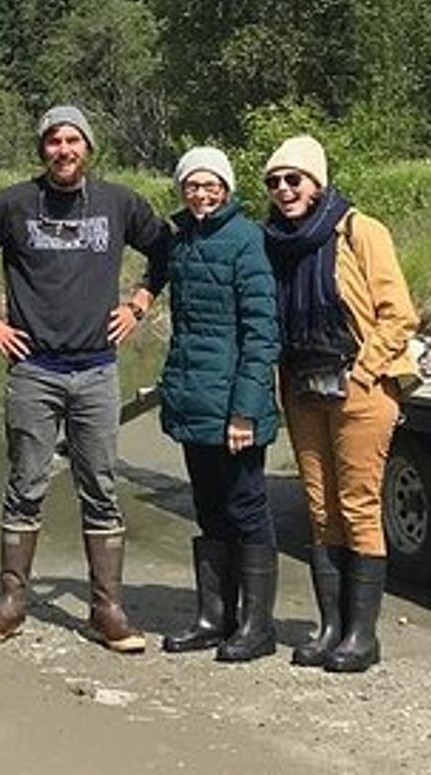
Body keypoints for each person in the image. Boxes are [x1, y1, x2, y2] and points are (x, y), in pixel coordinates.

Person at [0, 104, 170, 653]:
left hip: (97, 370)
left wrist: (140, 302)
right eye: (54, 141)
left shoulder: (119, 202)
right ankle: (11, 602)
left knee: (101, 487)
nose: (63, 149)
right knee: (25, 484)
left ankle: (107, 608)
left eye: (72, 140)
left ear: (88, 148)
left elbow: (165, 247)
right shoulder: (12, 204)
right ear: (43, 150)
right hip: (33, 370)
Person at [259, 134, 421, 674]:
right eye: (274, 181)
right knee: (320, 508)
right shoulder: (272, 241)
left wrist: (364, 371)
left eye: (294, 179)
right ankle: (329, 628)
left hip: (359, 387)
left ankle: (362, 635)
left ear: (317, 181)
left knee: (358, 505)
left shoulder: (359, 230)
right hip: (302, 387)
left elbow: (397, 313)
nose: (284, 190)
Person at [156, 146, 281, 663]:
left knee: (247, 508)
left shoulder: (248, 240)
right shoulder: (181, 240)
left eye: (212, 186)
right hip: (192, 400)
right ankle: (214, 618)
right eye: (192, 185)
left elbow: (261, 332)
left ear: (227, 189)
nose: (202, 194)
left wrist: (246, 409)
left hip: (234, 405)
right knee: (209, 509)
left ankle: (257, 626)